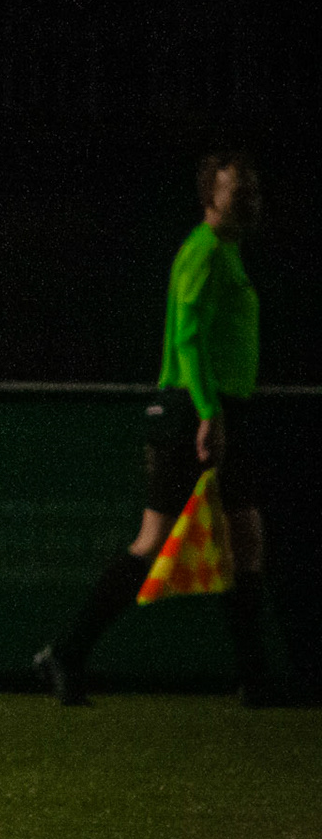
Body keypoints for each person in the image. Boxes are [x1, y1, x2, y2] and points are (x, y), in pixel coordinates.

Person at [34, 152, 268, 707]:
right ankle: (66, 653)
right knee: (161, 541)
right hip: (193, 410)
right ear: (210, 198)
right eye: (237, 190)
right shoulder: (204, 251)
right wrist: (208, 412)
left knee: (243, 536)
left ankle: (256, 679)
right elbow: (187, 336)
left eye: (253, 190)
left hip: (213, 408)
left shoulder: (225, 251)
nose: (249, 199)